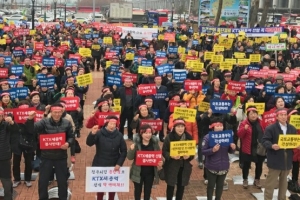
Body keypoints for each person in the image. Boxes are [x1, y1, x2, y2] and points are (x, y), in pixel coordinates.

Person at [26, 103, 74, 200]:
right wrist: (30, 120)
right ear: (51, 112)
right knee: (43, 181)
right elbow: (31, 130)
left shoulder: (66, 123)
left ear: (62, 112)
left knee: (62, 181)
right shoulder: (44, 122)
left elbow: (71, 137)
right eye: (55, 112)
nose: (57, 114)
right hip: (46, 157)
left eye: (59, 112)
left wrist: (68, 144)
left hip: (61, 157)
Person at [86, 115, 127, 200]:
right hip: (100, 162)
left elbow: (123, 151)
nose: (112, 126)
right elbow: (89, 143)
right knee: (100, 187)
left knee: (112, 188)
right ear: (106, 124)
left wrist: (119, 163)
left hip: (114, 164)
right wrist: (92, 134)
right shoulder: (99, 133)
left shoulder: (119, 135)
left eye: (114, 124)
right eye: (110, 124)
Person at [262, 108, 297, 200]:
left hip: (287, 160)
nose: (283, 117)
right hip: (275, 159)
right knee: (270, 184)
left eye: (285, 115)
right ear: (277, 117)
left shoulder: (292, 128)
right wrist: (272, 145)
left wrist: (297, 145)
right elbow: (265, 141)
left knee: (284, 184)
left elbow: (294, 141)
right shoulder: (271, 128)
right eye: (281, 115)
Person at [202, 117, 236, 200]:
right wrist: (212, 150)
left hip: (223, 166)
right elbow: (203, 151)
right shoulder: (207, 137)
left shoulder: (226, 136)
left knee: (220, 186)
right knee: (211, 186)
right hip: (211, 166)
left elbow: (230, 151)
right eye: (217, 126)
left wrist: (233, 147)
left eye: (221, 125)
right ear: (213, 127)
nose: (220, 127)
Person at [127, 124, 162, 200]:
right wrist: (131, 150)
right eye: (145, 133)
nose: (148, 135)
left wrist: (161, 162)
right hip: (138, 172)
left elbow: (159, 157)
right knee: (137, 192)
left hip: (150, 173)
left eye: (149, 133)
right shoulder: (136, 144)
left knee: (148, 192)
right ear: (141, 133)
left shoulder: (155, 144)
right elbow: (129, 157)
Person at [162, 118, 194, 200]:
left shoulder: (189, 137)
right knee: (170, 186)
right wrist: (171, 156)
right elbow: (164, 151)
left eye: (182, 126)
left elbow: (192, 153)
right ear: (174, 128)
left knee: (181, 186)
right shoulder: (169, 137)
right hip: (172, 166)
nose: (180, 129)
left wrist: (189, 156)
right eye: (178, 127)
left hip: (184, 166)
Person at [237, 106, 265, 189]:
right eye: (251, 114)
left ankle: (257, 179)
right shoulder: (244, 123)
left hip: (259, 148)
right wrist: (244, 129)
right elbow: (239, 135)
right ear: (248, 115)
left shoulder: (261, 123)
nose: (253, 115)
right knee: (246, 165)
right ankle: (245, 179)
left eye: (255, 113)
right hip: (247, 148)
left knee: (259, 165)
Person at [0, 108, 16, 200]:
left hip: (4, 156)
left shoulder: (6, 125)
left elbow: (16, 130)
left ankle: (8, 197)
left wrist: (12, 122)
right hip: (5, 155)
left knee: (6, 179)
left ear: (3, 116)